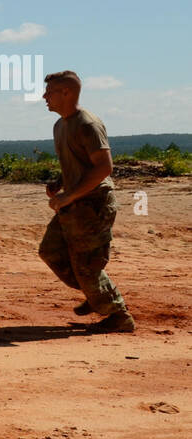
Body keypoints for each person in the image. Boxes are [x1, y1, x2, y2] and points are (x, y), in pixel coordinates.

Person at [38, 71, 134, 332]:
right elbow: (80, 164)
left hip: (94, 204)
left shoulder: (87, 124)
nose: (44, 96)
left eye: (50, 92)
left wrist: (68, 195)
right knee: (51, 251)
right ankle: (97, 295)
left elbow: (104, 167)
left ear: (66, 93)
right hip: (74, 203)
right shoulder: (60, 125)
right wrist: (61, 182)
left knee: (86, 266)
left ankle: (119, 315)